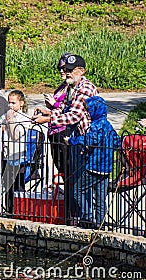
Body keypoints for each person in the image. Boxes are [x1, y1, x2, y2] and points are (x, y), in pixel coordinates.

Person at [32, 54, 99, 222]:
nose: (66, 72)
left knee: (81, 185)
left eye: (69, 70)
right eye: (63, 70)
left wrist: (48, 119)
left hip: (87, 142)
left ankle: (86, 219)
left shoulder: (85, 88)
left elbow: (74, 116)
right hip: (76, 141)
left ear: (81, 71)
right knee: (73, 181)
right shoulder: (71, 87)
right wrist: (47, 113)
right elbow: (61, 109)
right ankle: (77, 217)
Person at [64, 96, 120, 228]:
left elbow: (89, 140)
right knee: (101, 199)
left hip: (94, 167)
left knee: (77, 191)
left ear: (96, 110)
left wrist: (71, 141)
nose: (87, 113)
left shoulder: (96, 126)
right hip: (107, 169)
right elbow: (117, 141)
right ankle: (100, 225)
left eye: (89, 110)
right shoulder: (107, 124)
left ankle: (88, 217)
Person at [44, 52, 73, 178]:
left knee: (67, 168)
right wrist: (47, 110)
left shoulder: (72, 87)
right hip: (53, 130)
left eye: (64, 68)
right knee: (59, 167)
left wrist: (54, 104)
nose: (61, 71)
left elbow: (70, 110)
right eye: (59, 68)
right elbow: (57, 108)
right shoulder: (62, 85)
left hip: (63, 130)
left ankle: (69, 196)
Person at [4, 90, 31, 209]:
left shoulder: (24, 118)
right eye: (9, 103)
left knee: (18, 186)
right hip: (6, 155)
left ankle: (19, 210)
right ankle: (9, 210)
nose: (10, 106)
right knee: (7, 186)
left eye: (13, 103)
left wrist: (10, 122)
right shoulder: (5, 115)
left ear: (21, 103)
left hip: (18, 157)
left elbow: (16, 136)